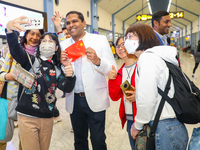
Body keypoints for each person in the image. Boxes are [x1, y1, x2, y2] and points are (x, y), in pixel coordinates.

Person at [6, 16, 76, 150]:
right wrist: (10, 31)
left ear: (56, 47)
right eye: (44, 40)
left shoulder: (56, 69)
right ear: (40, 45)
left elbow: (67, 88)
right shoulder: (31, 61)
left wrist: (70, 75)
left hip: (48, 118)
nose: (47, 42)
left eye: (51, 41)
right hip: (27, 117)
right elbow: (16, 50)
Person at [52, 11, 117, 150]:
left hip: (95, 98)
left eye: (74, 21)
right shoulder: (65, 45)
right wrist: (64, 67)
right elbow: (62, 73)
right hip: (74, 100)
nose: (71, 25)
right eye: (68, 23)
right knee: (79, 139)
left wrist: (98, 61)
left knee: (98, 139)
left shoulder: (99, 40)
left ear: (84, 23)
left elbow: (112, 70)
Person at [127, 23, 188, 150]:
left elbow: (147, 99)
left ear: (143, 37)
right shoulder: (158, 57)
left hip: (163, 129)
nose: (126, 40)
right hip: (173, 127)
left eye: (130, 36)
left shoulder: (147, 59)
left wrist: (137, 125)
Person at [0, 29, 44, 150]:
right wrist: (8, 76)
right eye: (32, 34)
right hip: (8, 101)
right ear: (26, 35)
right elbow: (1, 73)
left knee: (26, 140)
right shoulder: (12, 52)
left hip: (29, 103)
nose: (35, 37)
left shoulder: (41, 55)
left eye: (38, 35)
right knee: (2, 136)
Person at [108, 35, 139, 150]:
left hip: (144, 119)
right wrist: (112, 80)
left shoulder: (141, 66)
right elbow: (115, 97)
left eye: (123, 45)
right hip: (130, 120)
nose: (120, 48)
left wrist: (139, 96)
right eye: (117, 46)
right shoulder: (120, 71)